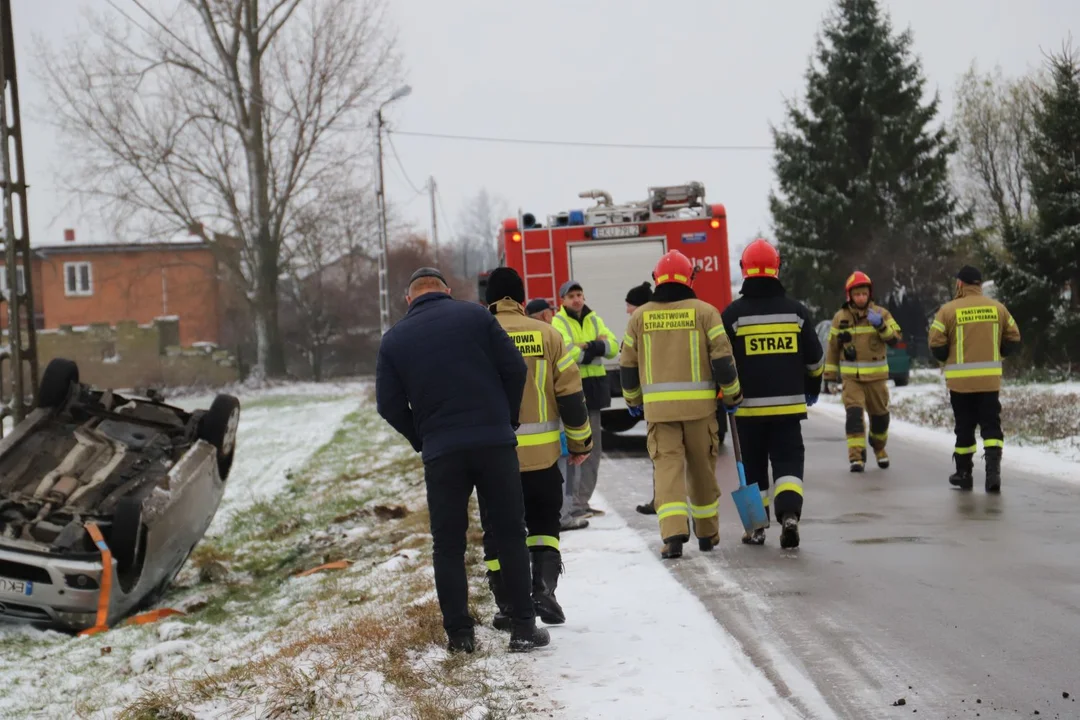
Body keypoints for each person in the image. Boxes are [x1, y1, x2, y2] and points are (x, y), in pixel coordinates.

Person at [375, 267, 549, 654]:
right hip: (494, 444)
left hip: (442, 452)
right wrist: (507, 418)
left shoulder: (395, 339)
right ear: (447, 291)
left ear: (409, 299)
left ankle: (460, 636)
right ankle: (523, 627)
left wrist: (422, 437)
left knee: (448, 546)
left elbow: (387, 404)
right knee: (509, 533)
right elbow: (515, 368)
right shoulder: (476, 315)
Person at [481, 268, 593, 629]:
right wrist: (580, 443)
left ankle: (508, 604)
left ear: (490, 301)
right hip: (543, 458)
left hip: (494, 458)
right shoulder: (548, 334)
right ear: (522, 299)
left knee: (498, 530)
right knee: (544, 523)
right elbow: (571, 397)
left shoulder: (478, 336)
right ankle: (543, 589)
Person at [620, 250, 742, 559]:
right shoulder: (706, 312)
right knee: (703, 471)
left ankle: (673, 533)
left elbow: (628, 365)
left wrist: (633, 400)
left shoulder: (639, 317)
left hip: (659, 414)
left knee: (667, 470)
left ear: (656, 279)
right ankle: (707, 533)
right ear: (690, 278)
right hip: (701, 411)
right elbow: (723, 360)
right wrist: (732, 395)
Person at [720, 239, 824, 549]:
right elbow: (816, 360)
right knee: (788, 462)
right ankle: (789, 514)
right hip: (788, 411)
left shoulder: (734, 316)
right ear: (777, 270)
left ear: (744, 270)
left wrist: (725, 394)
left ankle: (756, 527)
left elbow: (722, 360)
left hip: (747, 413)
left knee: (752, 469)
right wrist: (811, 390)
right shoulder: (796, 312)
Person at [928, 266, 1021, 492]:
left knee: (964, 427)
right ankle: (992, 474)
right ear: (979, 284)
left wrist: (947, 355)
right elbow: (1014, 338)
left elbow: (936, 344)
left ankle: (964, 474)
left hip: (960, 383)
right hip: (989, 381)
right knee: (991, 426)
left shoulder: (948, 311)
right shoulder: (997, 308)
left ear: (960, 284)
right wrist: (998, 351)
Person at [822, 271, 903, 472]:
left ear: (869, 294)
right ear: (850, 296)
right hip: (852, 380)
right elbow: (832, 348)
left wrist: (881, 326)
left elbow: (895, 339)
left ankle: (879, 447)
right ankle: (856, 458)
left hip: (877, 379)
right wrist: (829, 377)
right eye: (857, 294)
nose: (861, 298)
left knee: (881, 419)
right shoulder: (840, 318)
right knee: (854, 417)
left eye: (864, 294)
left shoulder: (882, 314)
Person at [553, 280, 619, 519]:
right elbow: (567, 352)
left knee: (593, 451)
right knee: (575, 450)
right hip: (574, 394)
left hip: (595, 391)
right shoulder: (557, 323)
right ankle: (572, 505)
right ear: (563, 300)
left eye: (579, 294)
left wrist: (589, 346)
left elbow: (613, 347)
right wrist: (595, 347)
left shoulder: (594, 318)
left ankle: (583, 501)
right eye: (571, 296)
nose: (577, 299)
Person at [623, 281, 661, 516]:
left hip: (655, 403)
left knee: (662, 456)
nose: (627, 310)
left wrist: (633, 399)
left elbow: (629, 362)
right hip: (667, 401)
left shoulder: (641, 326)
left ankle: (662, 500)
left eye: (629, 305)